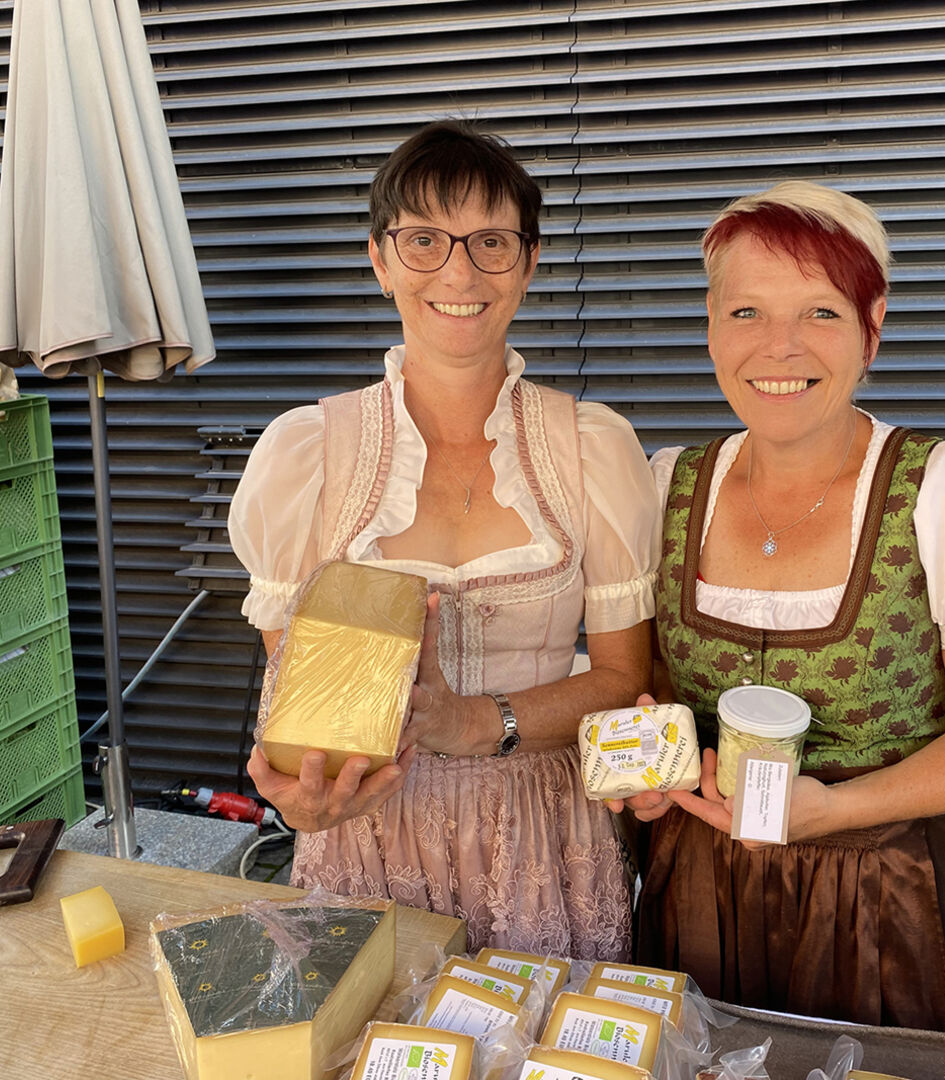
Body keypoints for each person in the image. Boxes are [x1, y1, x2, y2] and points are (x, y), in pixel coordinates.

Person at [610, 181, 945, 1030]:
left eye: (820, 312)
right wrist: (654, 772)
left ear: (872, 327)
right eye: (746, 312)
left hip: (887, 902)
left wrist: (835, 808)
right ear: (711, 326)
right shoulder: (667, 484)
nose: (777, 347)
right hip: (697, 891)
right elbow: (663, 691)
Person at [229, 120, 659, 961]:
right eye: (424, 240)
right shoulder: (305, 454)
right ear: (380, 260)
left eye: (491, 242)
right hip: (369, 835)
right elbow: (297, 702)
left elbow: (622, 680)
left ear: (528, 264)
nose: (459, 273)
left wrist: (477, 721)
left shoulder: (594, 449)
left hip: (543, 843)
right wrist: (299, 797)